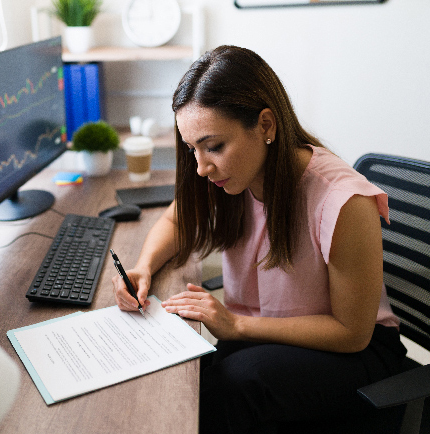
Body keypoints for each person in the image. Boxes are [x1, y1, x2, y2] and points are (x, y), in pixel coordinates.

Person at [111, 45, 407, 433]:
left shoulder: (343, 201)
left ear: (266, 126)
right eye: (191, 148)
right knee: (183, 372)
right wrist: (143, 267)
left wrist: (237, 326)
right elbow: (178, 219)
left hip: (356, 352)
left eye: (213, 146)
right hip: (269, 333)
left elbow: (352, 333)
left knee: (231, 385)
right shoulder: (230, 174)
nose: (200, 167)